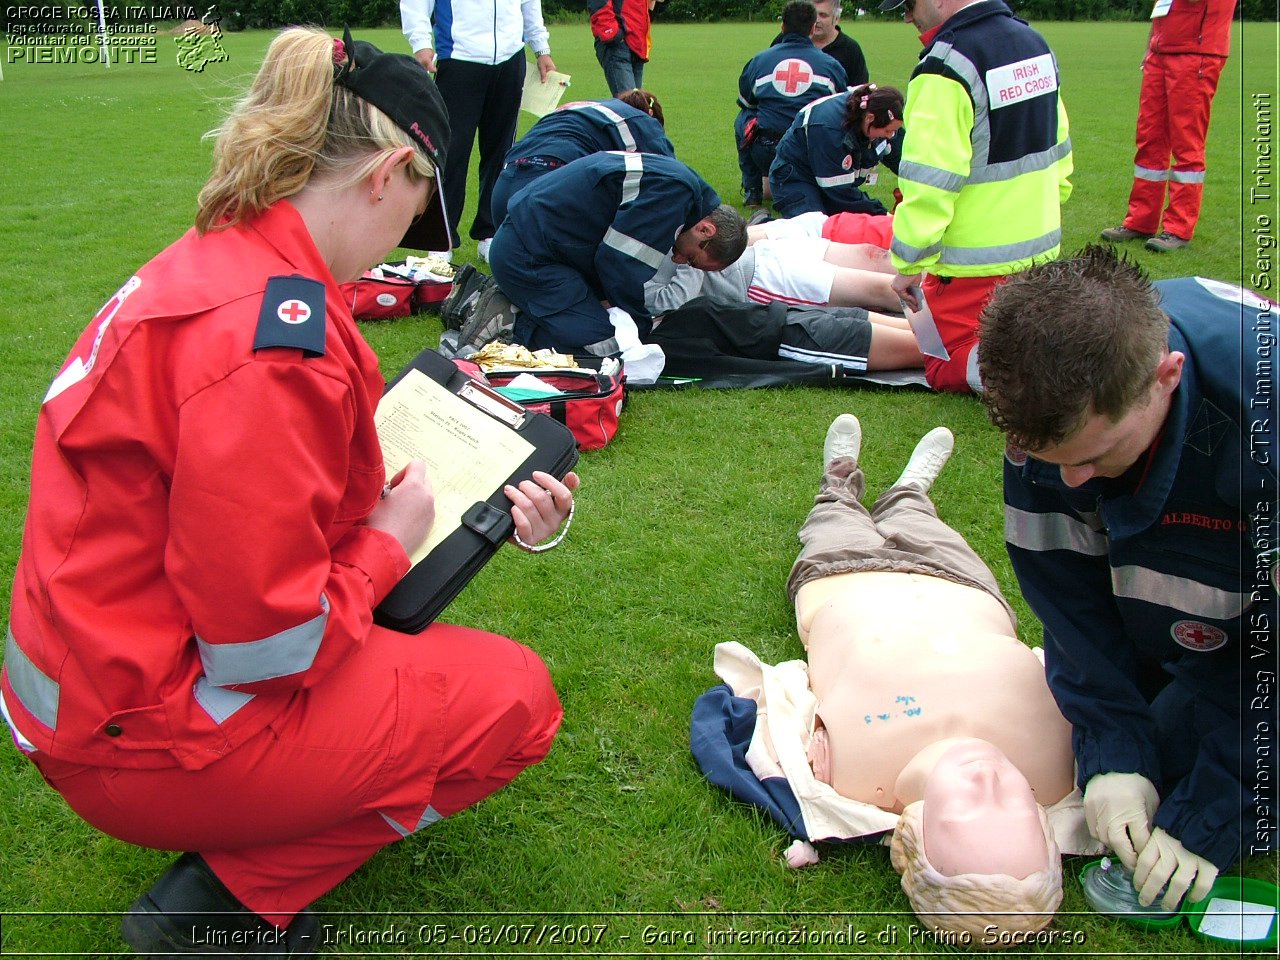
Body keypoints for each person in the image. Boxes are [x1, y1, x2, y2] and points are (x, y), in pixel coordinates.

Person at [0, 29, 578, 956]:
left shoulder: (223, 265)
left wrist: (478, 515)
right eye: (416, 217)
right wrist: (389, 541)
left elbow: (243, 504)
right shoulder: (274, 344)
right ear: (388, 173)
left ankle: (250, 820)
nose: (402, 248)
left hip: (91, 690)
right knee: (514, 701)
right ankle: (223, 905)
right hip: (141, 733)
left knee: (426, 667)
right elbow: (266, 647)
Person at [696, 415, 1086, 939]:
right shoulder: (1061, 767)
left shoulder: (850, 777)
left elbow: (760, 721)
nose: (989, 782)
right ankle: (909, 493)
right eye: (1015, 808)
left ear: (917, 838)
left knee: (832, 517)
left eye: (970, 812)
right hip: (962, 584)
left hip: (842, 579)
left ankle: (839, 480)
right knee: (925, 525)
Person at [979, 245, 1278, 911]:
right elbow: (1069, 601)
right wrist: (1115, 752)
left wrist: (1217, 814)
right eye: (1050, 460)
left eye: (1096, 456)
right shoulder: (1048, 408)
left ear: (1165, 377)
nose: (1071, 482)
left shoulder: (1266, 430)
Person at [880, 0, 1072, 395]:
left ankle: (1050, 383)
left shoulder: (945, 67)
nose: (907, 16)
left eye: (909, 4)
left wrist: (910, 262)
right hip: (1039, 254)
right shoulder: (1034, 43)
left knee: (944, 366)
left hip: (971, 269)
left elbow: (930, 181)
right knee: (1022, 339)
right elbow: (1059, 148)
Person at [487, 151, 748, 356]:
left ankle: (517, 304)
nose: (678, 260)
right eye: (691, 259)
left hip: (543, 247)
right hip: (527, 255)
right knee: (607, 344)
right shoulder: (674, 195)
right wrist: (640, 324)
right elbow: (618, 264)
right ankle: (502, 321)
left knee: (611, 327)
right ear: (705, 230)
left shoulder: (683, 188)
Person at [400, 0, 557, 260]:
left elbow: (530, 3)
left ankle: (490, 232)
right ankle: (442, 240)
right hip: (460, 58)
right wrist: (421, 43)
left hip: (510, 59)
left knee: (501, 152)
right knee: (452, 153)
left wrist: (541, 48)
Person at [1100, 0, 1234, 253]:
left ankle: (1178, 228)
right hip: (1162, 52)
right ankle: (1141, 221)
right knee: (1150, 139)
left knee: (1187, 144)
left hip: (1196, 53)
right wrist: (1151, 46)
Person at [490, 90, 674, 228]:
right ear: (650, 116)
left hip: (505, 187)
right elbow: (673, 181)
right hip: (551, 194)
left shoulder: (581, 108)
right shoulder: (642, 122)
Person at [735, 1, 848, 206]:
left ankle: (752, 190)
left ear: (782, 26)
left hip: (767, 150)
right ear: (813, 28)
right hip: (812, 152)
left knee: (743, 118)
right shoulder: (832, 66)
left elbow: (747, 102)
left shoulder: (759, 61)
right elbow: (840, 110)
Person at [769, 85, 905, 218]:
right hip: (797, 176)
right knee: (814, 227)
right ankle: (761, 226)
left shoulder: (878, 113)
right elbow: (840, 192)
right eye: (888, 131)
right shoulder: (830, 130)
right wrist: (880, 214)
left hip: (828, 178)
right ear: (869, 118)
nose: (891, 136)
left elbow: (901, 159)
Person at [771, 0, 869, 93]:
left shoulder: (850, 49)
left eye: (823, 15)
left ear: (836, 19)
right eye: (812, 15)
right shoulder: (785, 40)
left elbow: (859, 91)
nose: (816, 20)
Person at [588, 0, 662, 96]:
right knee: (629, 104)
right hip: (618, 44)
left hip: (637, 45)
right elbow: (599, 5)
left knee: (637, 105)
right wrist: (613, 35)